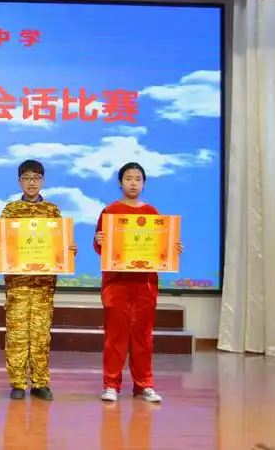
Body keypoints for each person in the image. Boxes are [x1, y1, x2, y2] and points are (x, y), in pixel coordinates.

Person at [93, 162, 183, 403]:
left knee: (143, 337)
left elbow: (160, 247)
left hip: (145, 284)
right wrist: (99, 240)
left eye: (138, 179)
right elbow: (100, 248)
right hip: (116, 284)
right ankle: (111, 384)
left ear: (144, 184)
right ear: (120, 182)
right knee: (115, 336)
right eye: (128, 178)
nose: (133, 183)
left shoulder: (152, 212)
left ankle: (144, 385)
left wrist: (172, 249)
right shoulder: (110, 211)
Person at [0, 160, 77, 401]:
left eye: (36, 178)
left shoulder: (52, 211)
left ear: (43, 180)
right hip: (18, 283)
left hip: (43, 285)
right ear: (19, 181)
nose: (31, 182)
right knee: (17, 332)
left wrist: (69, 250)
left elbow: (60, 246)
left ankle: (40, 382)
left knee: (41, 333)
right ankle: (18, 383)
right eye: (26, 178)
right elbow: (3, 247)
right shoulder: (10, 211)